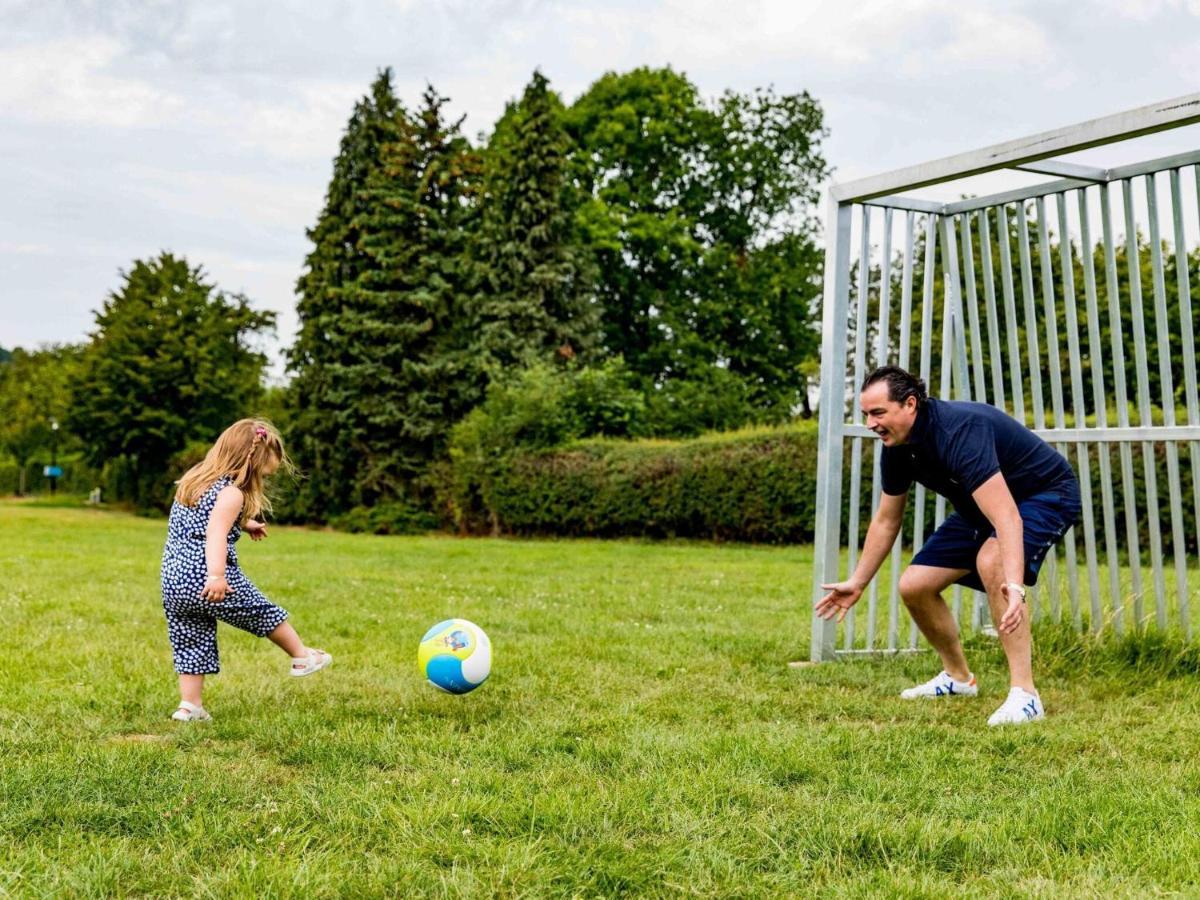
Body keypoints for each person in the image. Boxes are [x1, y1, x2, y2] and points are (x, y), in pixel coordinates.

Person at [815, 366, 1080, 726]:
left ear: (910, 404)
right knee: (914, 586)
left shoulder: (958, 431)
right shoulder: (896, 446)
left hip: (1044, 494)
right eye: (865, 414)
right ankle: (958, 678)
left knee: (992, 559)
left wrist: (1014, 587)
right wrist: (858, 582)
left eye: (878, 412)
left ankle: (1026, 696)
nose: (870, 423)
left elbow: (1008, 519)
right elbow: (887, 519)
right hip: (982, 508)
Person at [161, 419, 331, 722]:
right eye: (264, 473)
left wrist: (246, 522)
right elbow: (214, 533)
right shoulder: (232, 493)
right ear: (251, 461)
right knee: (261, 611)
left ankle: (189, 706)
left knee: (190, 639)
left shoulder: (194, 480)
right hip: (207, 577)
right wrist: (216, 575)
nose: (263, 480)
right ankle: (301, 656)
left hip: (174, 580)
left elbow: (207, 518)